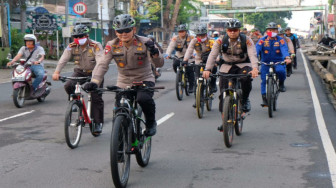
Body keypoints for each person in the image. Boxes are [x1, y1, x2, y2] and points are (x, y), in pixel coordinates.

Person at [84, 14, 164, 136]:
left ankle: (151, 123)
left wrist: (155, 52)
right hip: (123, 81)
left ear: (134, 30)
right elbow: (102, 64)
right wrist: (94, 81)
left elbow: (159, 63)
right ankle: (119, 144)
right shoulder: (111, 44)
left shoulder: (145, 42)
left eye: (127, 30)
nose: (123, 34)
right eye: (120, 31)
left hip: (144, 78)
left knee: (143, 99)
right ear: (116, 32)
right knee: (119, 110)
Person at [203, 19, 259, 127]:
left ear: (239, 30)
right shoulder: (220, 40)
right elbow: (213, 55)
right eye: (230, 30)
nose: (232, 32)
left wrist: (255, 68)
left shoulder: (246, 40)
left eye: (235, 30)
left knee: (245, 78)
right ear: (227, 31)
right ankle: (224, 121)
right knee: (223, 93)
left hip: (243, 65)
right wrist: (207, 69)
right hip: (227, 66)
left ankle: (245, 99)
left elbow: (252, 54)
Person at [52, 25, 105, 134]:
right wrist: (57, 72)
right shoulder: (71, 46)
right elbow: (64, 59)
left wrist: (95, 78)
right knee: (68, 85)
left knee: (96, 97)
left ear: (87, 36)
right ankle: (75, 102)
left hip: (95, 72)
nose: (78, 39)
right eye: (76, 37)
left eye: (81, 36)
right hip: (79, 71)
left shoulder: (96, 45)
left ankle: (98, 123)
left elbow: (100, 62)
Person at [256, 22, 291, 106]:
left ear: (277, 31)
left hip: (278, 61)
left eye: (274, 30)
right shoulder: (262, 40)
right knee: (264, 80)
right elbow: (256, 49)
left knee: (281, 71)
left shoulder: (280, 40)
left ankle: (281, 83)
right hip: (265, 62)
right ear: (267, 31)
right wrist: (254, 59)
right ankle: (264, 98)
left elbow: (284, 49)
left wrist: (287, 57)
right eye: (270, 30)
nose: (272, 31)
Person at [183, 24, 217, 94]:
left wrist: (217, 60)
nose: (201, 37)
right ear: (196, 35)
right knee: (198, 79)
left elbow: (215, 52)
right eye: (199, 35)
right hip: (199, 60)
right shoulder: (194, 41)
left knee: (214, 69)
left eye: (203, 35)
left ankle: (213, 84)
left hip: (209, 60)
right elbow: (189, 50)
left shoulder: (212, 41)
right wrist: (185, 60)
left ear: (206, 34)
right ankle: (198, 99)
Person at [165, 24, 195, 93]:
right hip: (179, 55)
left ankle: (191, 85)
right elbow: (171, 46)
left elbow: (194, 47)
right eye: (180, 31)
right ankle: (179, 75)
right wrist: (167, 54)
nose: (181, 33)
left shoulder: (191, 38)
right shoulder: (175, 38)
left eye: (183, 31)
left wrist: (194, 54)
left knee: (190, 70)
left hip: (189, 56)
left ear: (186, 31)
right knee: (175, 64)